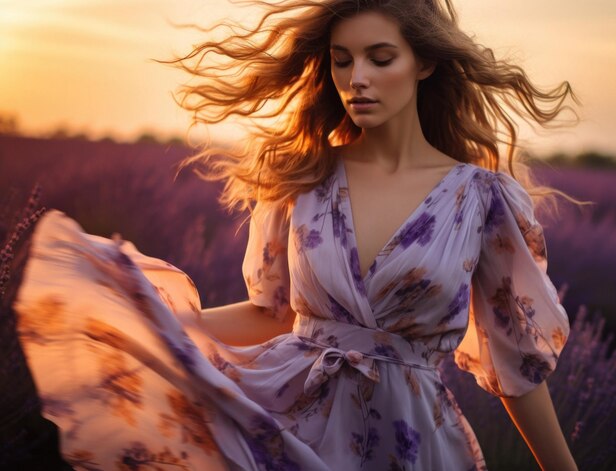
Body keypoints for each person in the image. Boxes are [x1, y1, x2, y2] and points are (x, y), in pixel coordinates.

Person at [7, 0, 579, 469]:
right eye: (341, 61)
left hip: (408, 442)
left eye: (381, 59)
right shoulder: (304, 180)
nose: (357, 79)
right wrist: (156, 327)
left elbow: (517, 366)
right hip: (288, 426)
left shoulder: (481, 198)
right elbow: (274, 312)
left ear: (424, 62)